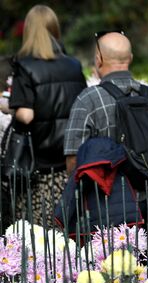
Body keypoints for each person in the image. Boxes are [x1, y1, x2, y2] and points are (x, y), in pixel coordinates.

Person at [7, 5, 86, 225]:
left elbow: (26, 115)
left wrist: (8, 106)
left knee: (36, 240)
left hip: (37, 169)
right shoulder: (74, 65)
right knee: (66, 238)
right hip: (68, 164)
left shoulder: (24, 66)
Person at [64, 31, 148, 175]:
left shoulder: (88, 100)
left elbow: (74, 161)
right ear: (131, 58)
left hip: (108, 194)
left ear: (98, 59)